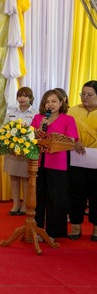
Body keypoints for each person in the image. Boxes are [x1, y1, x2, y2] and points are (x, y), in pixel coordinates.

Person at [31, 89, 78, 239]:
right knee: (38, 198)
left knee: (55, 198)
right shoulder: (39, 118)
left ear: (61, 102)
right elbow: (30, 138)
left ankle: (53, 233)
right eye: (47, 102)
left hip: (58, 164)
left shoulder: (68, 119)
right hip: (38, 163)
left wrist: (55, 139)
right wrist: (39, 130)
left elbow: (71, 141)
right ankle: (36, 230)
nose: (50, 104)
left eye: (54, 101)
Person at [67, 81, 97, 241]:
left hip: (96, 161)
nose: (85, 97)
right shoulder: (72, 111)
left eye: (89, 94)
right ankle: (76, 226)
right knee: (75, 193)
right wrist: (73, 141)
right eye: (83, 94)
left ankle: (96, 229)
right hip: (76, 159)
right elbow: (63, 131)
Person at [3, 86, 36, 215]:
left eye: (25, 96)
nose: (22, 98)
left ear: (31, 98)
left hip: (27, 150)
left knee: (26, 178)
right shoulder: (11, 112)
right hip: (12, 150)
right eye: (20, 96)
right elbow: (5, 128)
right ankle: (15, 204)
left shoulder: (36, 113)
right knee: (14, 176)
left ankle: (25, 204)